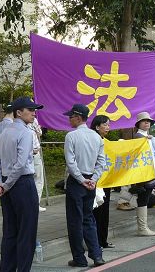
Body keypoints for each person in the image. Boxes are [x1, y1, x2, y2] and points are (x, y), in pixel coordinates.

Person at [0, 97, 43, 272]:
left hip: (7, 184)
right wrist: (5, 185)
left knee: (10, 232)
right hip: (22, 184)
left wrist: (0, 183)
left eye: (34, 110)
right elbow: (21, 164)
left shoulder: (3, 133)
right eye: (30, 110)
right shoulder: (26, 133)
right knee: (26, 233)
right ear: (18, 112)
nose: (34, 113)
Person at [63, 104, 106, 267]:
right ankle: (97, 255)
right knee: (88, 219)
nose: (69, 119)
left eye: (71, 116)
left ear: (78, 117)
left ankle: (79, 258)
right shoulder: (96, 137)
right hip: (91, 181)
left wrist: (81, 180)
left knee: (75, 220)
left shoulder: (71, 136)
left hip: (77, 181)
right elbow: (101, 161)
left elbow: (70, 162)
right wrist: (93, 178)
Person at [90, 115, 115, 249]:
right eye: (105, 124)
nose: (108, 127)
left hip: (106, 181)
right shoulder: (93, 140)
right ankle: (95, 242)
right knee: (96, 212)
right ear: (97, 126)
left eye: (109, 125)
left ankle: (103, 241)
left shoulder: (107, 142)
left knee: (104, 212)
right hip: (94, 181)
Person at [132, 111, 155, 236]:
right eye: (144, 121)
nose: (147, 122)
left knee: (145, 199)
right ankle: (142, 228)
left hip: (148, 172)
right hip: (142, 174)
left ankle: (143, 227)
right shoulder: (138, 137)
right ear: (139, 124)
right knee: (143, 199)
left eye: (149, 121)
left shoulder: (147, 136)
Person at [28, 117, 46, 212]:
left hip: (25, 154)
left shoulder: (14, 122)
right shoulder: (33, 120)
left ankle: (30, 204)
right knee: (38, 179)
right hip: (33, 152)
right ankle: (35, 204)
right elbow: (39, 133)